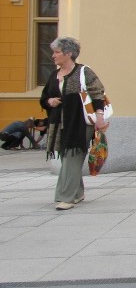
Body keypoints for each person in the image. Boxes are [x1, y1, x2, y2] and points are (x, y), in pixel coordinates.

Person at [39, 37, 109, 210]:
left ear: (68, 54)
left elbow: (98, 94)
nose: (53, 56)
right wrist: (50, 102)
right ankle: (77, 193)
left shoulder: (84, 72)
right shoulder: (54, 75)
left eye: (57, 52)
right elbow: (43, 98)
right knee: (66, 157)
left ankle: (65, 197)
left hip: (80, 123)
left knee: (72, 156)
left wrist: (100, 117)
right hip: (59, 124)